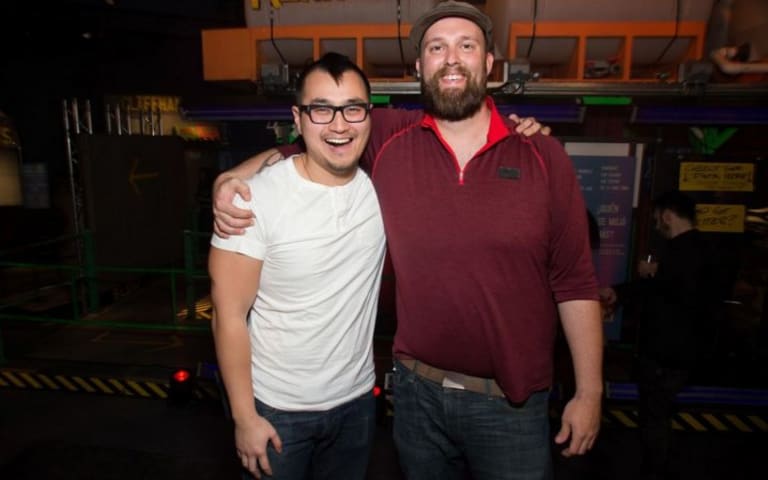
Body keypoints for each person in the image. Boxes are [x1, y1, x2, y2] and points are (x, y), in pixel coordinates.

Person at [214, 2, 603, 479]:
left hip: (512, 410)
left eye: (467, 45)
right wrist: (230, 177)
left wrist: (589, 392)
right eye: (437, 48)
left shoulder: (543, 156)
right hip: (416, 401)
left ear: (488, 65)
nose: (452, 58)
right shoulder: (389, 137)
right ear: (420, 67)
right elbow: (316, 139)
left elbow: (576, 283)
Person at [209, 52, 385, 480]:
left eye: (352, 109)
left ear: (368, 115)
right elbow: (227, 315)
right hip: (278, 411)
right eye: (322, 109)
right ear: (299, 117)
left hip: (358, 403)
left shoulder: (382, 185)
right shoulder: (255, 199)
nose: (340, 125)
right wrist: (244, 417)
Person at [600, 190, 718, 480]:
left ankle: (655, 472)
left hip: (666, 352)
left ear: (667, 215)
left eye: (656, 219)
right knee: (659, 414)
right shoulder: (704, 249)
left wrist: (642, 281)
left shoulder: (681, 251)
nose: (655, 225)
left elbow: (666, 294)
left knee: (654, 417)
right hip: (683, 352)